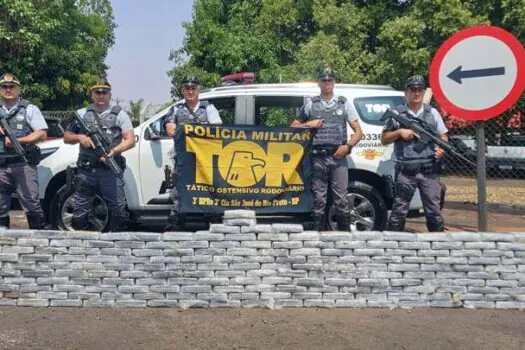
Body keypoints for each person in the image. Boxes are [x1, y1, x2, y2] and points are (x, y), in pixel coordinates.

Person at [291, 68, 363, 231]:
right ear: (319, 83)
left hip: (338, 158)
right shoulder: (311, 104)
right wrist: (308, 124)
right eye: (323, 80)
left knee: (341, 200)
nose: (327, 83)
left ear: (334, 83)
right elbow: (293, 126)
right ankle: (318, 239)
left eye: (329, 80)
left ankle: (344, 240)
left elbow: (358, 132)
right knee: (319, 200)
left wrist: (348, 147)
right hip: (317, 158)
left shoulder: (344, 103)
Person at [64, 78, 135, 231]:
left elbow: (130, 140)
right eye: (97, 92)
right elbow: (66, 137)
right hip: (86, 171)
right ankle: (81, 248)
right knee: (80, 212)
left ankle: (117, 246)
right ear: (92, 94)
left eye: (104, 92)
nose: (101, 95)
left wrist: (114, 151)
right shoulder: (81, 114)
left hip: (110, 170)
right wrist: (80, 137)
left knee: (118, 211)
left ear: (110, 94)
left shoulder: (120, 114)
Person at [381, 75, 448, 232]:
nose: (416, 93)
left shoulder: (433, 113)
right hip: (406, 171)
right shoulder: (397, 113)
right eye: (413, 90)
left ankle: (437, 245)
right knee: (399, 211)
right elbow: (384, 138)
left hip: (429, 170)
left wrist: (441, 149)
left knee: (434, 211)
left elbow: (443, 136)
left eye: (420, 90)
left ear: (424, 92)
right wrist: (399, 132)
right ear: (406, 92)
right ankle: (394, 245)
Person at [164, 76, 222, 231]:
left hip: (205, 160)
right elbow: (170, 128)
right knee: (180, 194)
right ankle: (175, 232)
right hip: (184, 159)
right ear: (183, 91)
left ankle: (214, 230)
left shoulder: (208, 108)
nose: (190, 91)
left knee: (208, 192)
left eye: (193, 88)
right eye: (187, 88)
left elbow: (217, 129)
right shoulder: (176, 109)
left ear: (198, 90)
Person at [0, 73, 48, 229]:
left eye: (11, 86)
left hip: (23, 165)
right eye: (4, 87)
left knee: (31, 203)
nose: (8, 89)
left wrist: (17, 141)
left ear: (19, 89)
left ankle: (39, 242)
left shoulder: (29, 109)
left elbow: (42, 133)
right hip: (1, 166)